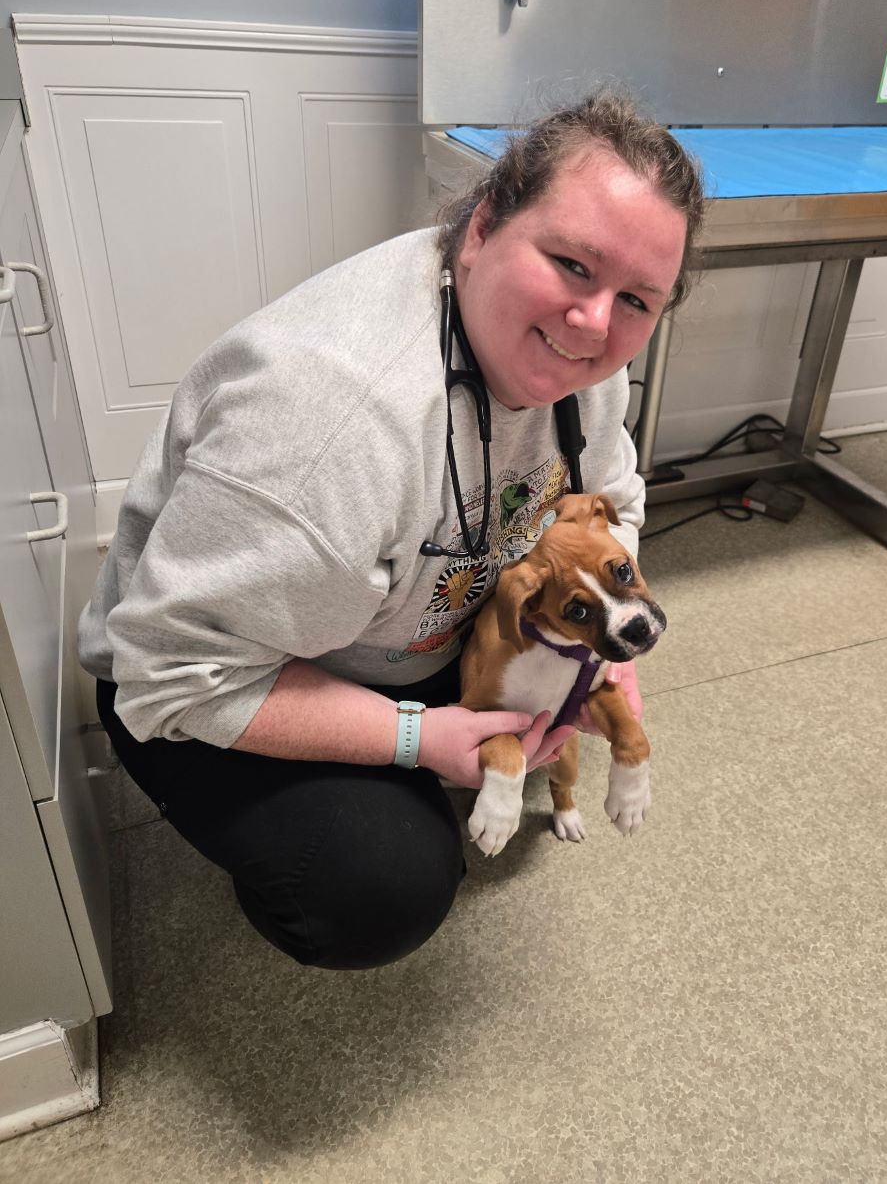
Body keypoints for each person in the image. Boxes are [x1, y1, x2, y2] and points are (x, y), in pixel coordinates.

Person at [80, 90, 704, 970]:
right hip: (210, 675)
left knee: (554, 714)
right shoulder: (326, 430)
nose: (597, 323)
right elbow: (168, 677)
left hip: (407, 629)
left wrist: (599, 644)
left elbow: (616, 499)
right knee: (378, 883)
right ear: (481, 226)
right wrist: (414, 737)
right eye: (571, 263)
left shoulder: (582, 361)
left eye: (637, 298)